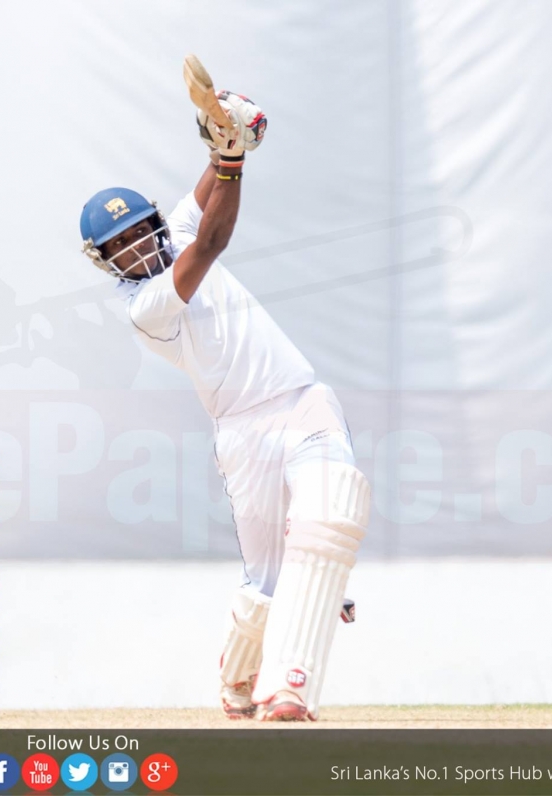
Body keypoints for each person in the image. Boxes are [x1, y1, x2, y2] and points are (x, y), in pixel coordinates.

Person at [78, 91, 370, 722]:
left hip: (303, 400)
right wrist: (232, 161)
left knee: (328, 518)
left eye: (141, 229)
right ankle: (239, 677)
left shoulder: (177, 229)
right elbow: (210, 242)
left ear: (156, 222)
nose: (138, 245)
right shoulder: (146, 307)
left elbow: (213, 181)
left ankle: (287, 689)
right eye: (121, 244)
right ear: (107, 261)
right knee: (267, 583)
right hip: (242, 433)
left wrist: (227, 135)